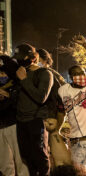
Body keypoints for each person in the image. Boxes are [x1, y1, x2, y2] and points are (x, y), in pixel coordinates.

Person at [13, 43, 54, 175]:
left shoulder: (45, 73)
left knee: (40, 157)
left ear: (32, 58)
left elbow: (41, 97)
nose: (19, 60)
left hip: (36, 120)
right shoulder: (21, 72)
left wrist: (24, 79)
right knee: (27, 157)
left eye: (22, 57)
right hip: (21, 121)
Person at [58, 65, 86, 173]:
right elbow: (61, 112)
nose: (81, 76)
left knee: (80, 166)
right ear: (70, 77)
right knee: (82, 167)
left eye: (83, 73)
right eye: (76, 74)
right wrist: (58, 129)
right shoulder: (63, 90)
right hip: (74, 136)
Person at [0, 55, 30, 176]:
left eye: (3, 74)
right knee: (4, 163)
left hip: (15, 125)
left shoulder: (16, 86)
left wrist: (8, 94)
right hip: (1, 126)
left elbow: (21, 101)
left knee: (21, 161)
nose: (1, 77)